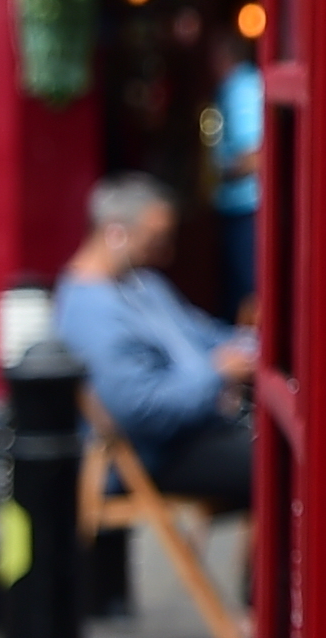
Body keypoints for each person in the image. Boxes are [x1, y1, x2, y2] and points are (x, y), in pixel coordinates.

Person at [54, 172, 256, 508]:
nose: (166, 252)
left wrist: (251, 346)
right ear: (115, 233)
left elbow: (205, 334)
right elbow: (139, 410)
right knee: (285, 465)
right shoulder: (90, 311)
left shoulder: (144, 283)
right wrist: (217, 373)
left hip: (201, 430)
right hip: (157, 453)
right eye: (156, 239)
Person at [206, 30, 265, 310]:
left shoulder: (240, 90)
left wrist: (216, 173)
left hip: (248, 207)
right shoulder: (235, 87)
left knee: (248, 288)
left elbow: (256, 155)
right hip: (240, 207)